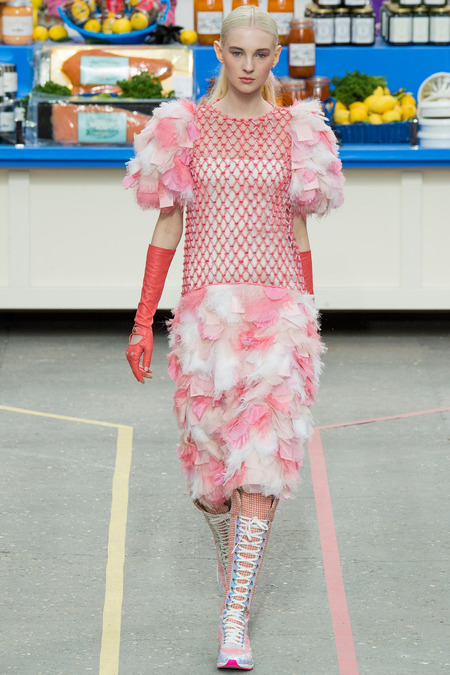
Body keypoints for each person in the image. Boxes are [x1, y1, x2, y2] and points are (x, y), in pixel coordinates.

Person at [123, 6, 344, 670]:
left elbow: (298, 229)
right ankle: (235, 567)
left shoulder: (298, 130)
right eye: (237, 52)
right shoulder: (184, 128)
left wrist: (308, 318)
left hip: (277, 316)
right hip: (207, 321)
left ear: (276, 58)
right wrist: (142, 320)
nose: (249, 66)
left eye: (261, 54)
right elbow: (168, 226)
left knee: (260, 469)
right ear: (218, 53)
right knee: (213, 481)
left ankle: (233, 617)